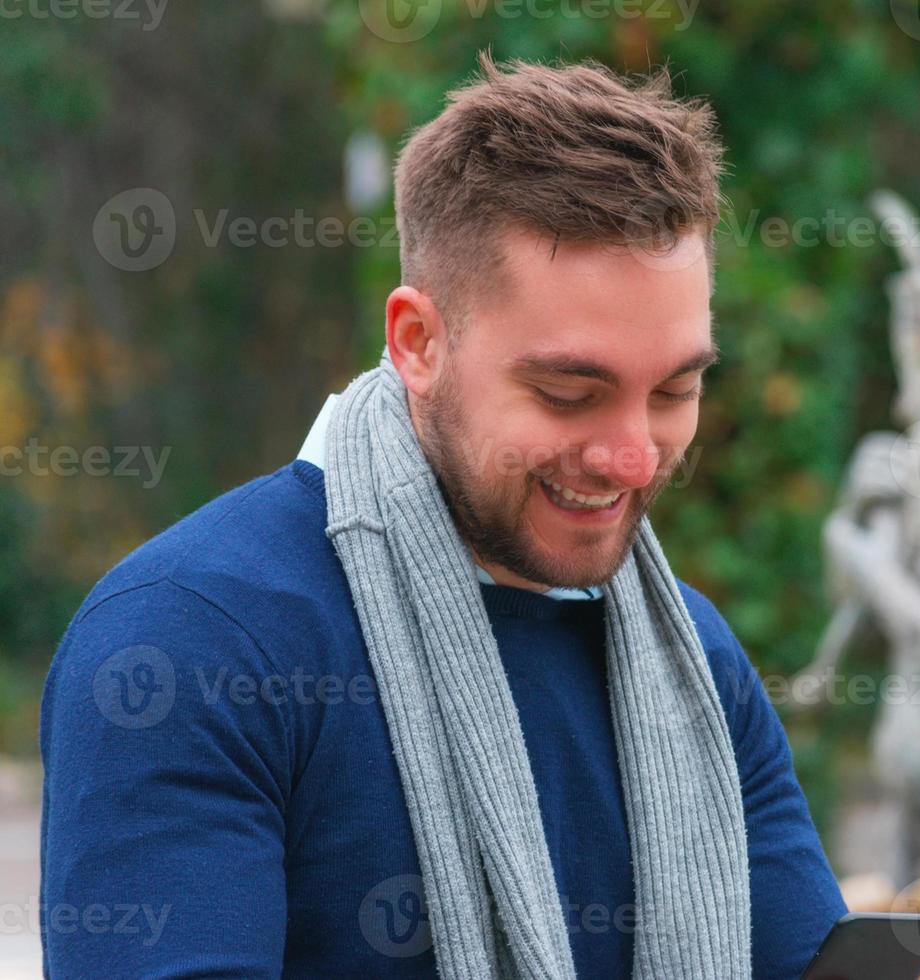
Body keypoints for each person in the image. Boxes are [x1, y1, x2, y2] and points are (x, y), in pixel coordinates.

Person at [39, 53, 846, 979]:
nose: (631, 455)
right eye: (567, 392)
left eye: (674, 389)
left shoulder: (691, 663)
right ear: (418, 343)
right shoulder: (192, 645)